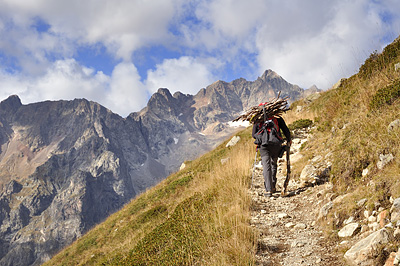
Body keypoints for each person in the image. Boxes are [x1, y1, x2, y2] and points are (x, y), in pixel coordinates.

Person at [252, 106, 291, 197]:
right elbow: (285, 130)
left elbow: (254, 135)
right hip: (276, 144)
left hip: (263, 145)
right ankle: (273, 185)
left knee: (266, 165)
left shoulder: (258, 119)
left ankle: (268, 190)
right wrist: (289, 139)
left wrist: (260, 138)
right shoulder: (277, 118)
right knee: (273, 163)